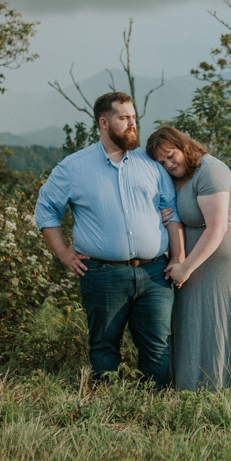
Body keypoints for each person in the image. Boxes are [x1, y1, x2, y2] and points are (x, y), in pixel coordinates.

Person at [35, 92, 184, 388]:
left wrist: (178, 259)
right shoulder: (73, 168)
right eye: (123, 118)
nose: (132, 124)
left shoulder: (151, 164)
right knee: (104, 347)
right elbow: (46, 211)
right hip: (103, 275)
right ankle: (108, 411)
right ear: (104, 122)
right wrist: (64, 253)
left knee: (158, 348)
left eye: (133, 117)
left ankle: (155, 414)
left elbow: (172, 212)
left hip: (155, 272)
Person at [144, 126, 231, 395]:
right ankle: (196, 391)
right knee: (196, 324)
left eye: (171, 156)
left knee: (228, 322)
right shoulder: (173, 177)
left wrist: (185, 268)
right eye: (162, 162)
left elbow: (217, 227)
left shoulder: (211, 170)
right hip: (191, 265)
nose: (168, 165)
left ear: (184, 147)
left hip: (225, 266)